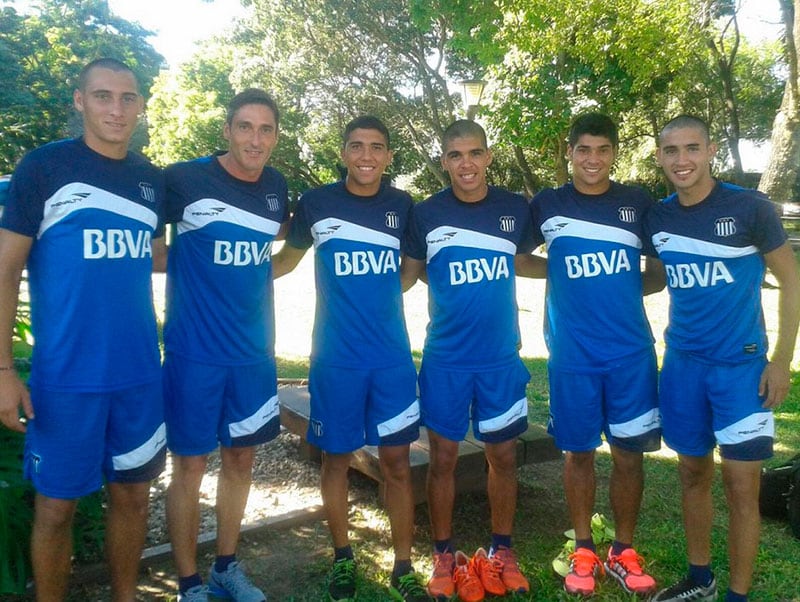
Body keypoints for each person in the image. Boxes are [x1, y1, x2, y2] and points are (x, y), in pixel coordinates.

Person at [0, 57, 166, 601]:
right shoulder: (43, 168)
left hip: (139, 375)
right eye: (102, 96)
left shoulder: (148, 180)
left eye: (127, 97)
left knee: (134, 499)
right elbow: (5, 270)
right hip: (67, 379)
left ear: (141, 105)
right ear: (80, 100)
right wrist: (3, 370)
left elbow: (160, 254)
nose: (116, 109)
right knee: (55, 507)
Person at [271, 115, 430, 602]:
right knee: (335, 460)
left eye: (376, 147)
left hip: (390, 359)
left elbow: (409, 273)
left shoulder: (403, 206)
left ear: (387, 155)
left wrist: (373, 298)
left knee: (398, 463)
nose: (366, 156)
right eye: (357, 146)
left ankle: (403, 566)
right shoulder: (317, 204)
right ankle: (343, 557)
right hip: (335, 358)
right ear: (343, 152)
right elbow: (284, 260)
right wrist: (223, 282)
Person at [644, 115, 800, 602]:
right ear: (660, 158)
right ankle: (700, 579)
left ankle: (736, 595)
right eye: (672, 151)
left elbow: (792, 281)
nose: (682, 159)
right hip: (684, 367)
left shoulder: (749, 206)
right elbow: (654, 277)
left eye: (692, 148)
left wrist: (781, 361)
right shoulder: (659, 217)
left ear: (711, 150)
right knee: (692, 474)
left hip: (741, 371)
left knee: (740, 488)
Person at [515, 112, 663, 596]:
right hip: (572, 356)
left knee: (628, 455)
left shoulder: (637, 203)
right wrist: (559, 271)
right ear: (570, 153)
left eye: (602, 150)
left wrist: (620, 287)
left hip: (630, 355)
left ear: (614, 154)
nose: (593, 159)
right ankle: (583, 548)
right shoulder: (548, 205)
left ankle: (622, 550)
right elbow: (516, 255)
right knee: (578, 454)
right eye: (584, 150)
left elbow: (658, 271)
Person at [162, 88, 288, 602]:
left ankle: (225, 567)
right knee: (189, 466)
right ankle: (188, 584)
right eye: (245, 127)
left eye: (265, 129)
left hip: (253, 355)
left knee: (240, 461)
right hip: (194, 353)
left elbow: (278, 249)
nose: (254, 139)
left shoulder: (277, 186)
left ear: (275, 136)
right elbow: (146, 245)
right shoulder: (184, 180)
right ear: (227, 130)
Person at [402, 119, 533, 602]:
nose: (466, 164)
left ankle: (501, 551)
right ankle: (443, 554)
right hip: (446, 360)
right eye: (456, 155)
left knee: (502, 456)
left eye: (475, 153)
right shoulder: (426, 214)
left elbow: (533, 259)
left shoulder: (514, 209)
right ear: (443, 162)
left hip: (500, 360)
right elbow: (406, 276)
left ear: (489, 156)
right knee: (443, 459)